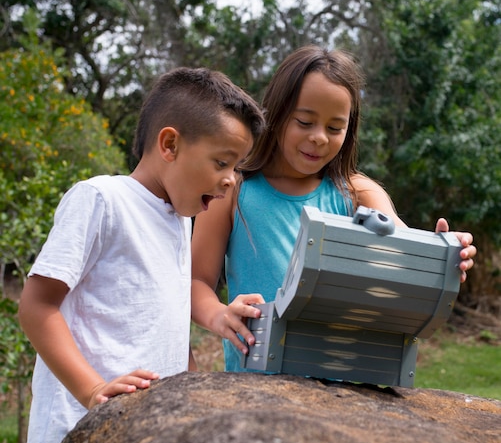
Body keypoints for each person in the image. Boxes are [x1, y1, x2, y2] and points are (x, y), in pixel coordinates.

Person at [18, 67, 266, 443]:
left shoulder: (177, 220)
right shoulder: (102, 199)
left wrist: (217, 321)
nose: (230, 180)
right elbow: (36, 306)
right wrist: (93, 391)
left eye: (237, 166)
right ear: (169, 144)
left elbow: (164, 330)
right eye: (222, 162)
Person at [191, 45, 477, 372]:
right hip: (256, 384)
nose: (318, 138)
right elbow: (197, 279)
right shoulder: (233, 190)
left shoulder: (357, 193)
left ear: (349, 129)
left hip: (342, 384)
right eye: (304, 121)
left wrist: (443, 252)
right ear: (277, 113)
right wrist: (218, 314)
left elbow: (404, 247)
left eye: (334, 127)